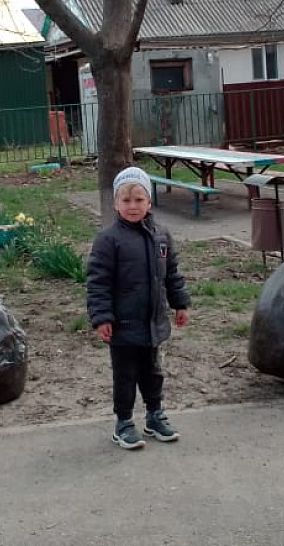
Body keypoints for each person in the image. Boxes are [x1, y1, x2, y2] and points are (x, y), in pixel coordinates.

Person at [86, 167, 191, 450]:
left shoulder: (161, 236)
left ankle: (154, 415)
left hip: (152, 322)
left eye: (139, 200)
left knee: (153, 372)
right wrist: (102, 318)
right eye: (126, 200)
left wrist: (180, 304)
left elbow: (172, 274)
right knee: (125, 375)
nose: (133, 206)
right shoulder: (108, 240)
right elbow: (98, 283)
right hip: (122, 326)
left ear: (149, 202)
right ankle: (123, 422)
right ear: (116, 204)